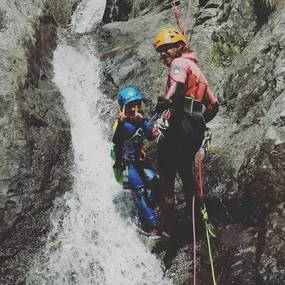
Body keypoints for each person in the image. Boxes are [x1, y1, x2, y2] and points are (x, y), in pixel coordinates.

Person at [152, 28, 219, 238]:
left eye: (167, 48)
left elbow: (177, 83)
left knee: (166, 173)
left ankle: (166, 227)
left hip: (179, 124)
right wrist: (198, 124)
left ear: (179, 47)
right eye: (160, 50)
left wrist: (167, 101)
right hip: (193, 131)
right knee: (185, 170)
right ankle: (196, 216)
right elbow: (214, 106)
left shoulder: (179, 63)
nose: (164, 54)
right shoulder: (198, 71)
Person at [112, 87, 163, 235]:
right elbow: (116, 139)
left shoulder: (138, 120)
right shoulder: (121, 124)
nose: (134, 110)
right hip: (125, 165)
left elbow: (150, 136)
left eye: (136, 106)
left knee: (155, 182)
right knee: (140, 190)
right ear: (123, 109)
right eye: (129, 107)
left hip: (139, 161)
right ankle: (154, 225)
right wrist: (121, 123)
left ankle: (146, 210)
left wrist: (143, 122)